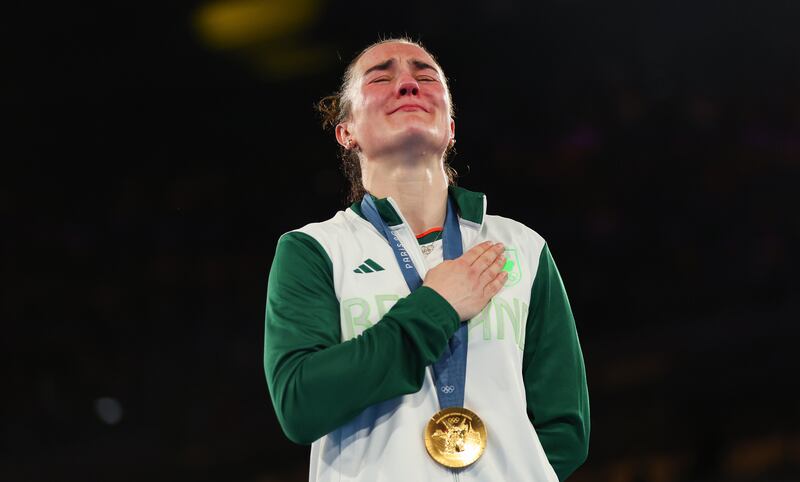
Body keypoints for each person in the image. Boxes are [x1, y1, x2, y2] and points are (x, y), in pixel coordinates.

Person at [264, 37, 589, 482]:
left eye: (425, 76)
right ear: (347, 132)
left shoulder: (522, 247)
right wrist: (435, 306)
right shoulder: (314, 249)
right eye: (381, 78)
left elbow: (565, 428)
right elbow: (300, 404)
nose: (407, 85)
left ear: (451, 126)